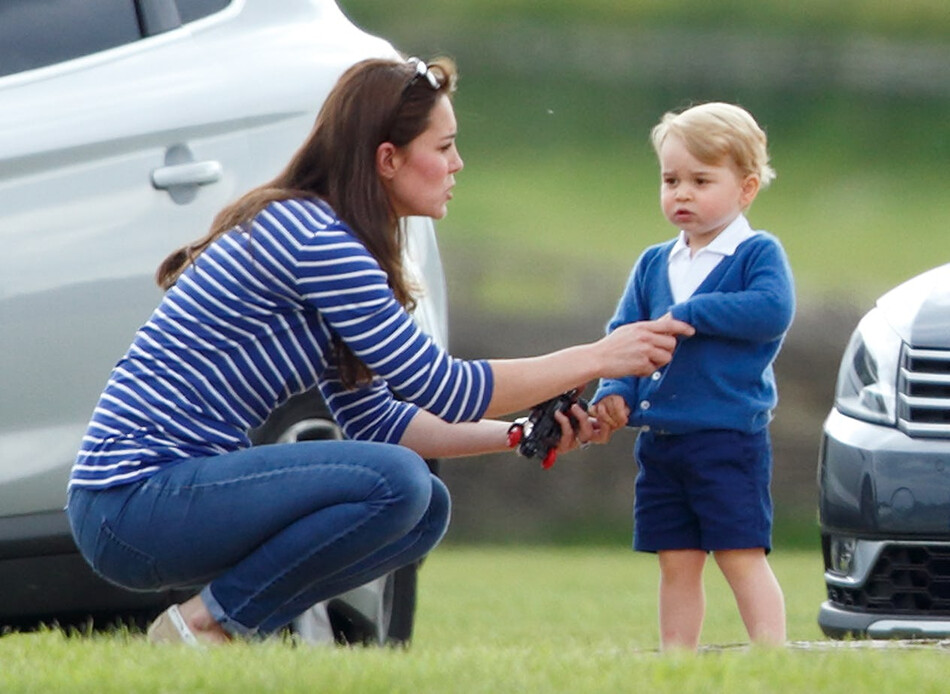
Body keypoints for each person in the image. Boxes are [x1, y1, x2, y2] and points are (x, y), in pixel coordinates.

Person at [66, 56, 693, 645]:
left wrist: (524, 433)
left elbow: (380, 421)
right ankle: (206, 627)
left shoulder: (338, 241)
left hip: (155, 502)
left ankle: (219, 631)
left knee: (423, 507)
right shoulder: (317, 239)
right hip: (130, 501)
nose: (458, 165)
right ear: (387, 159)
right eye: (444, 148)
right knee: (397, 483)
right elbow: (445, 387)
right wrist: (601, 356)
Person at [589, 102, 795, 650]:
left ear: (746, 188)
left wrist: (695, 313)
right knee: (676, 559)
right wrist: (614, 389)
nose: (682, 193)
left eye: (701, 181)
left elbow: (773, 309)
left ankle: (774, 656)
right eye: (671, 179)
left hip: (728, 437)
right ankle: (675, 661)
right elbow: (624, 333)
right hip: (663, 443)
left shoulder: (756, 253)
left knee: (738, 554)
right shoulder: (655, 263)